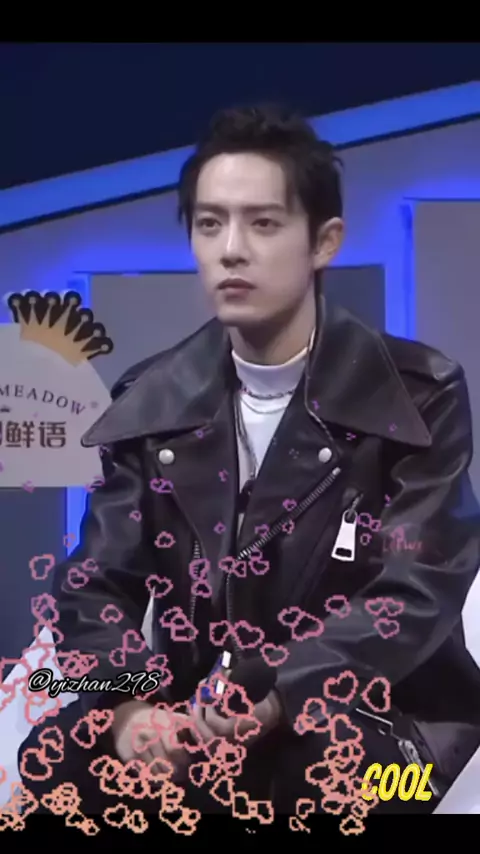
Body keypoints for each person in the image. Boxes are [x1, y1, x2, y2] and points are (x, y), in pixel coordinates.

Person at [19, 104, 480, 824]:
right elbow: (96, 584)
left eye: (263, 223)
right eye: (210, 224)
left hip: (386, 728)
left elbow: (414, 593)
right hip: (199, 716)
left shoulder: (419, 396)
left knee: (316, 780)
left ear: (324, 241)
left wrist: (281, 692)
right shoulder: (152, 399)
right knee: (56, 768)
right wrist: (130, 708)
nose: (231, 250)